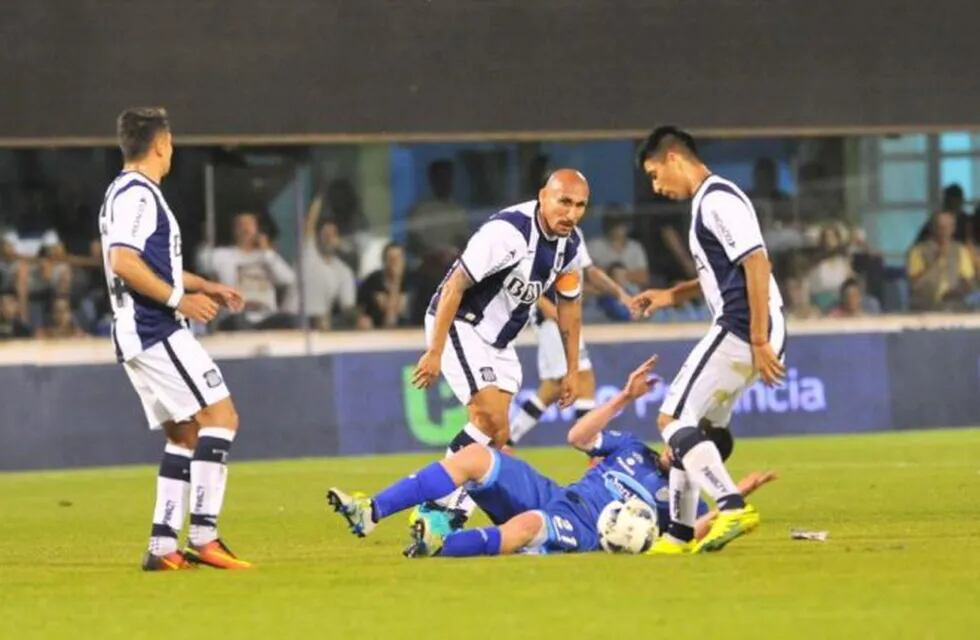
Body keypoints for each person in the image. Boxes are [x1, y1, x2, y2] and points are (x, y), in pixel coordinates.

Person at [327, 356, 777, 557]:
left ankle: (437, 547)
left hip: (582, 530)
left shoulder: (680, 498)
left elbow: (689, 532)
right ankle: (372, 510)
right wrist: (622, 396)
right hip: (556, 495)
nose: (672, 444)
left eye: (684, 445)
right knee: (474, 456)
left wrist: (730, 498)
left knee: (523, 529)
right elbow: (578, 436)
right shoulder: (632, 448)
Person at [99, 107, 251, 571]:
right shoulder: (139, 195)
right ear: (161, 144)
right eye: (171, 140)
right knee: (220, 416)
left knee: (184, 433)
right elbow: (123, 261)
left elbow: (148, 263)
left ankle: (164, 546)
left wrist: (204, 286)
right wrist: (178, 302)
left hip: (135, 331)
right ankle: (205, 535)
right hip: (154, 327)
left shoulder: (120, 194)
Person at [631, 125, 787, 554]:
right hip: (751, 326)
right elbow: (720, 273)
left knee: (670, 420)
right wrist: (670, 296)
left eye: (654, 174)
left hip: (743, 325)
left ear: (673, 159)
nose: (656, 186)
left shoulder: (717, 200)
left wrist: (757, 338)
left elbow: (756, 262)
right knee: (697, 428)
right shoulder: (709, 202)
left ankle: (731, 506)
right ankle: (680, 535)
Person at [411, 169, 590, 523]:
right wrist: (434, 350)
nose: (571, 213)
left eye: (580, 205)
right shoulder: (507, 233)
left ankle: (449, 512)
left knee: (498, 433)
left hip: (500, 341)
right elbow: (453, 287)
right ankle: (435, 507)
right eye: (564, 202)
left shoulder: (569, 247)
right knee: (489, 418)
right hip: (461, 325)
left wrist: (572, 370)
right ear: (543, 196)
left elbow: (570, 307)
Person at [508, 229, 634, 446]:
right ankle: (590, 446)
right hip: (553, 319)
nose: (573, 210)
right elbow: (523, 277)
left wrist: (619, 293)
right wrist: (550, 310)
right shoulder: (536, 233)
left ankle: (507, 440)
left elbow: (590, 270)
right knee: (584, 378)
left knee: (552, 388)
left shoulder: (575, 233)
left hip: (565, 317)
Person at [196, 212, 297, 330]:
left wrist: (267, 252)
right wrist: (207, 235)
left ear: (258, 229)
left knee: (292, 321)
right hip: (236, 317)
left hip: (267, 316)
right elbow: (201, 262)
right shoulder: (223, 255)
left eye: (250, 224)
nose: (245, 228)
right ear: (234, 230)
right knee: (238, 322)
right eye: (241, 224)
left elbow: (289, 279)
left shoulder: (267, 256)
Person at [302, 196, 358, 330]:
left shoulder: (344, 272)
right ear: (317, 237)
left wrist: (358, 317)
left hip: (321, 326)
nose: (328, 238)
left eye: (332, 234)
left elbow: (348, 307)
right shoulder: (308, 253)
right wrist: (318, 198)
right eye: (325, 234)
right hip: (293, 319)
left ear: (338, 239)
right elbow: (309, 224)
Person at [907, 210, 976, 311]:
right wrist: (936, 262)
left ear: (953, 229)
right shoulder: (918, 251)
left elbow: (969, 282)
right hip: (925, 306)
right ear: (933, 229)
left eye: (949, 226)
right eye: (941, 227)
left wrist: (958, 291)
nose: (944, 231)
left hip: (955, 305)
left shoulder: (960, 250)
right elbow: (916, 286)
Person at [406, 159, 470, 262]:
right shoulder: (420, 209)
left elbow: (463, 240)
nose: (445, 182)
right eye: (441, 178)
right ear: (432, 180)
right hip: (427, 268)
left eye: (448, 178)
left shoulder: (458, 210)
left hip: (452, 265)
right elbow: (414, 243)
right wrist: (432, 255)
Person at [586, 212, 650, 287]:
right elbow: (587, 273)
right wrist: (610, 272)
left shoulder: (635, 247)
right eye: (612, 225)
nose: (615, 229)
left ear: (626, 226)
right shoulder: (595, 245)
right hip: (602, 293)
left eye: (619, 225)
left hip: (629, 293)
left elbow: (644, 277)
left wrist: (626, 274)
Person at [357, 242, 409, 329]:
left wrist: (397, 279)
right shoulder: (374, 280)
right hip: (376, 329)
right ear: (384, 261)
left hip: (408, 331)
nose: (394, 262)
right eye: (391, 259)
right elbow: (390, 315)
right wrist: (396, 280)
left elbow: (397, 313)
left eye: (397, 258)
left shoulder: (410, 280)